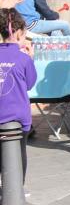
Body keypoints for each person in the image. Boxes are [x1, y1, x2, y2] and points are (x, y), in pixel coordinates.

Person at [0, 9, 36, 184]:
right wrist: (31, 57)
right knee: (20, 152)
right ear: (20, 32)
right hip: (18, 118)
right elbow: (30, 83)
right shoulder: (23, 59)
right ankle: (17, 188)